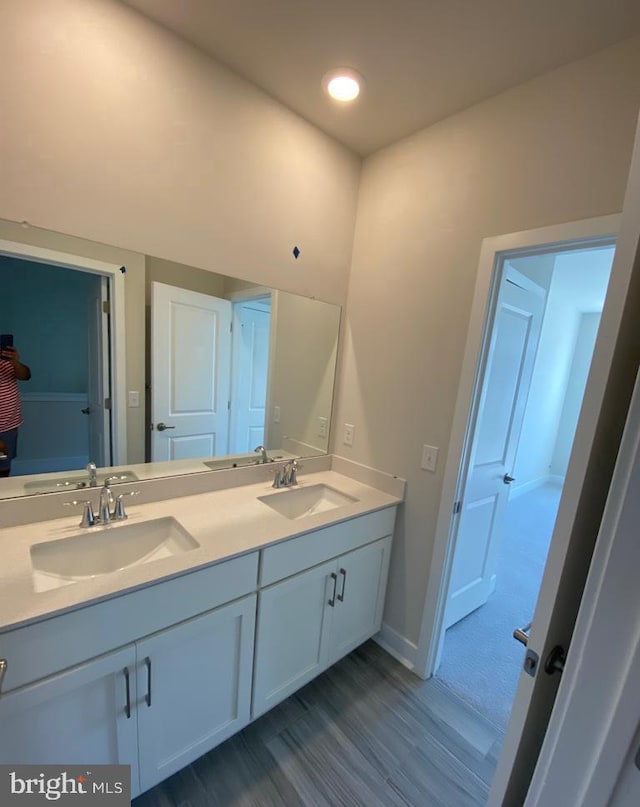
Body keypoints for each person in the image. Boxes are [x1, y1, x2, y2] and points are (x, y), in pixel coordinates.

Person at [0, 343, 31, 477]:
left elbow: (26, 376)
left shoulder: (5, 360)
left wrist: (15, 362)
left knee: (4, 469)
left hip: (9, 427)